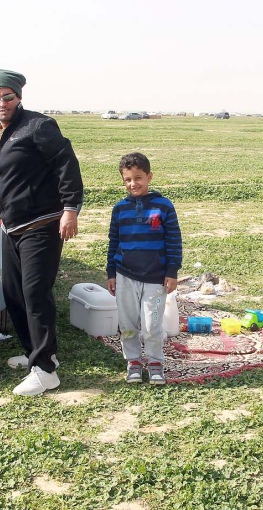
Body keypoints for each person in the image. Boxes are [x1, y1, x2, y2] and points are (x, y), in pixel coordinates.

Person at [0, 69, 84, 396]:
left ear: (19, 97)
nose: (2, 103)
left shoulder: (38, 126)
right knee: (14, 295)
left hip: (43, 224)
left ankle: (46, 371)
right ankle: (38, 353)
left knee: (35, 294)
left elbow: (66, 164)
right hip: (12, 228)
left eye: (8, 96)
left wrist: (71, 209)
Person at [106, 152, 182, 385]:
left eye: (138, 178)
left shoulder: (164, 206)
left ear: (149, 177)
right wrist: (111, 273)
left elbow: (173, 240)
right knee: (127, 324)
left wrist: (172, 271)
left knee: (152, 324)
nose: (133, 184)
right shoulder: (120, 209)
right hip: (125, 275)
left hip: (155, 277)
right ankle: (133, 362)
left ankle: (156, 362)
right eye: (128, 179)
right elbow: (113, 241)